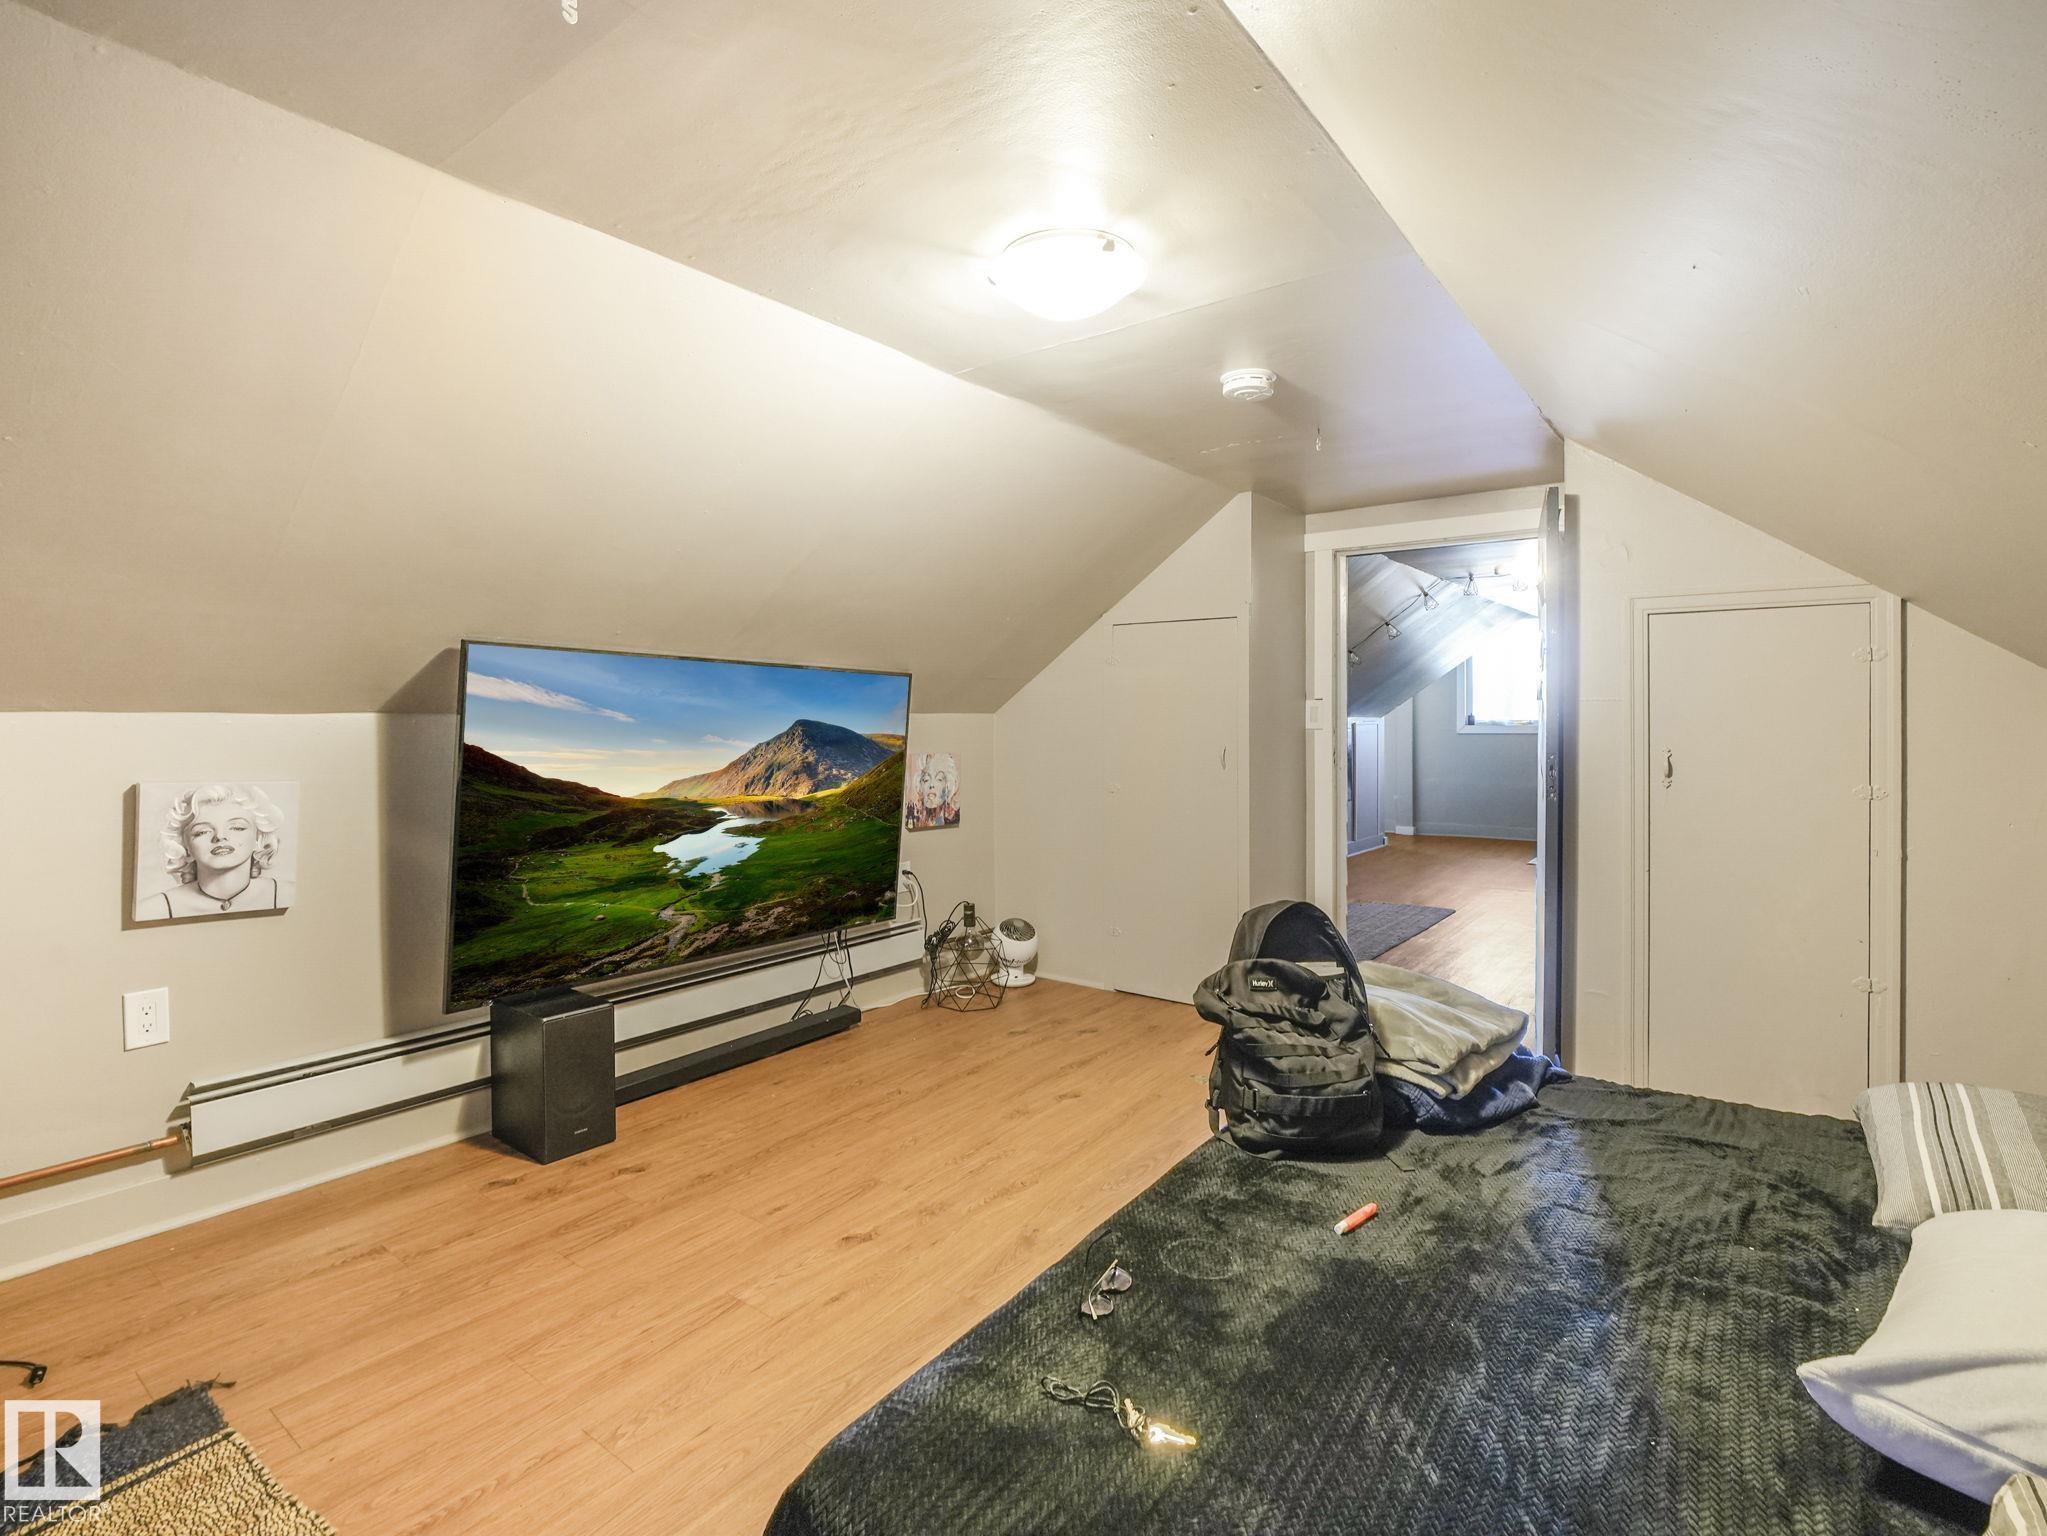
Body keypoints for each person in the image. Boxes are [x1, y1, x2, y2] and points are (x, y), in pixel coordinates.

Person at [138, 784, 295, 920]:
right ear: (185, 847)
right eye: (202, 832)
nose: (220, 837)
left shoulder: (287, 893)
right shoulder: (153, 908)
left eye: (237, 828)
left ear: (259, 839)